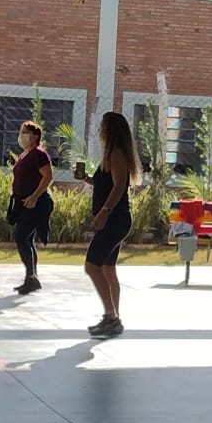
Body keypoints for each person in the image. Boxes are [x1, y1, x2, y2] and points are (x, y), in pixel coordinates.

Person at [78, 111, 138, 337]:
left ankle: (111, 316)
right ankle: (113, 317)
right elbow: (108, 183)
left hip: (115, 220)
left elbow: (119, 185)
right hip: (115, 219)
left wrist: (104, 211)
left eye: (102, 125)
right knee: (107, 268)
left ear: (110, 130)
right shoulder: (111, 154)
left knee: (92, 265)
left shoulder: (116, 153)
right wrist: (88, 179)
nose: (99, 130)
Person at [9, 121, 54, 295]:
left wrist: (34, 197)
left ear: (35, 136)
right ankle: (31, 277)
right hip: (22, 202)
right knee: (28, 239)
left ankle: (31, 277)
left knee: (22, 237)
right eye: (21, 132)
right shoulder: (24, 155)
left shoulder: (39, 155)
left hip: (35, 203)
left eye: (25, 132)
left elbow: (47, 176)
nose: (21, 135)